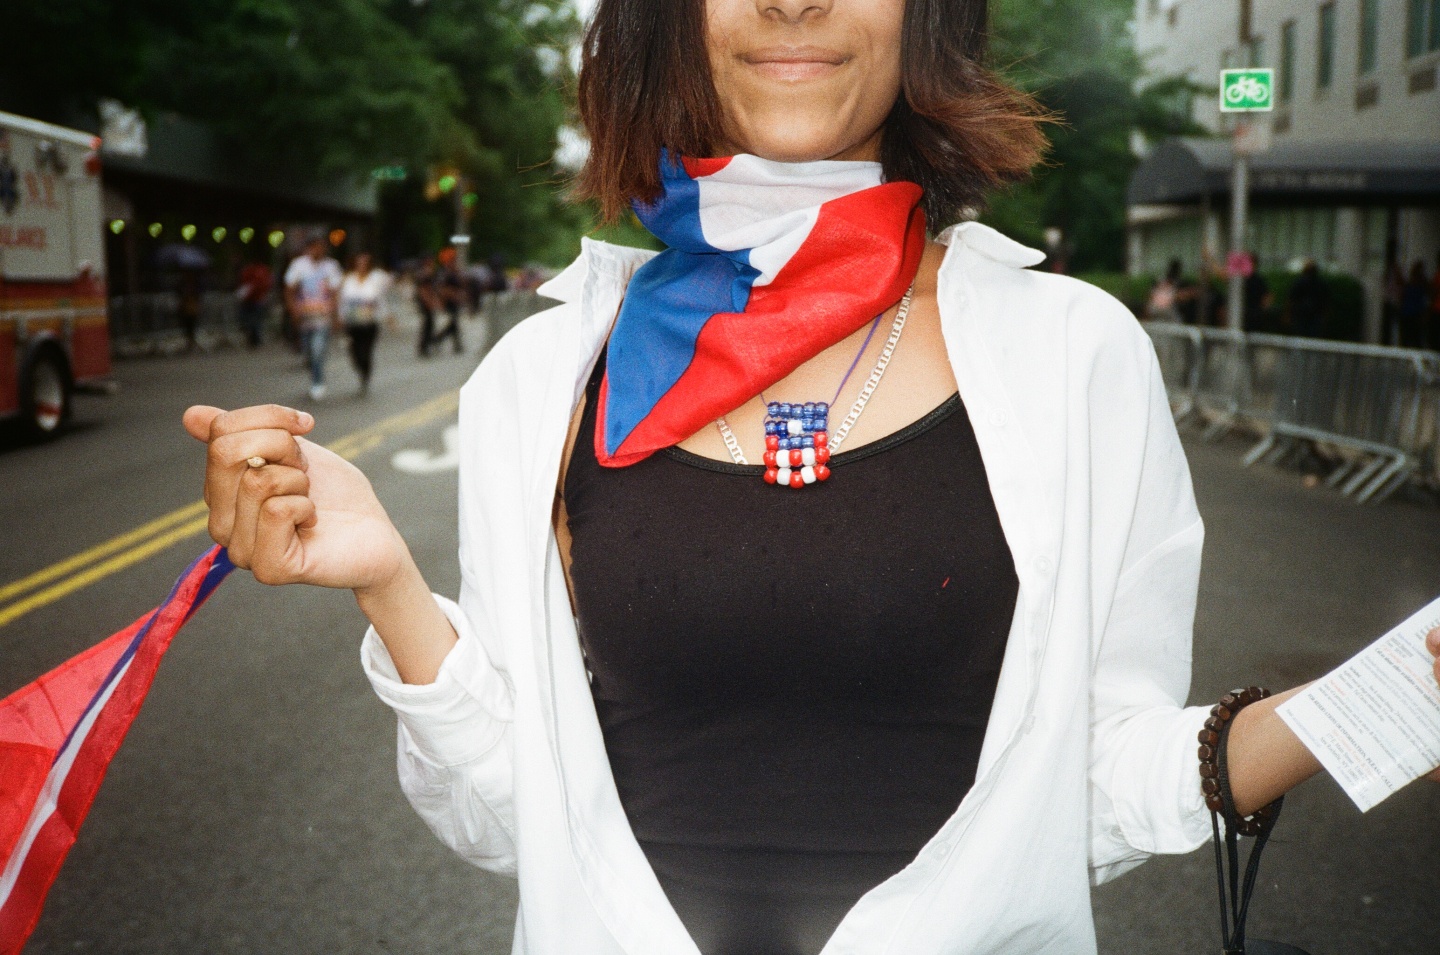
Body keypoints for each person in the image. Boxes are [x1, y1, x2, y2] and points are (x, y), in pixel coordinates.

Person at [181, 3, 1440, 954]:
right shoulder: (541, 376)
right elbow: (514, 824)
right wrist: (389, 584)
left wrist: (1386, 700)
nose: (793, 2)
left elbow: (1098, 789)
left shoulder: (1074, 355)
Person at [284, 234, 343, 401]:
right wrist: (293, 310)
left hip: (322, 317)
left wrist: (336, 315)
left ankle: (318, 382)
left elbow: (335, 292)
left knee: (318, 350)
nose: (318, 250)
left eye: (321, 246)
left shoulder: (331, 266)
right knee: (308, 351)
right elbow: (289, 289)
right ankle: (314, 371)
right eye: (315, 246)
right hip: (305, 317)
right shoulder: (299, 265)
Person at [339, 252, 391, 396]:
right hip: (353, 322)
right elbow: (342, 301)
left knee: (366, 351)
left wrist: (387, 316)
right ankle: (360, 368)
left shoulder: (375, 279)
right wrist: (339, 317)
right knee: (354, 350)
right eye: (359, 262)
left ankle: (365, 375)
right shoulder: (348, 280)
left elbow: (380, 298)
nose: (362, 265)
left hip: (369, 322)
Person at [237, 257, 274, 349]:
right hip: (253, 298)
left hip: (256, 298)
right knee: (253, 320)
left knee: (254, 320)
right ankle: (254, 339)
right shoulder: (258, 270)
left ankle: (254, 339)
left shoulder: (257, 270)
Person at [1287, 260, 1329, 339]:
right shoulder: (1321, 284)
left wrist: (1288, 315)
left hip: (1300, 315)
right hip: (1315, 315)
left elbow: (1291, 300)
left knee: (1300, 337)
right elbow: (1325, 302)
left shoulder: (1299, 283)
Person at [1401, 260, 1430, 349]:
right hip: (1411, 313)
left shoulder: (1418, 284)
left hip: (1414, 314)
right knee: (1411, 339)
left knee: (1413, 339)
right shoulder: (1415, 284)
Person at [1383, 259, 1406, 346]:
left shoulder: (1398, 278)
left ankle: (1395, 343)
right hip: (1390, 302)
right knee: (1389, 323)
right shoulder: (1390, 278)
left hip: (1395, 303)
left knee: (1395, 324)